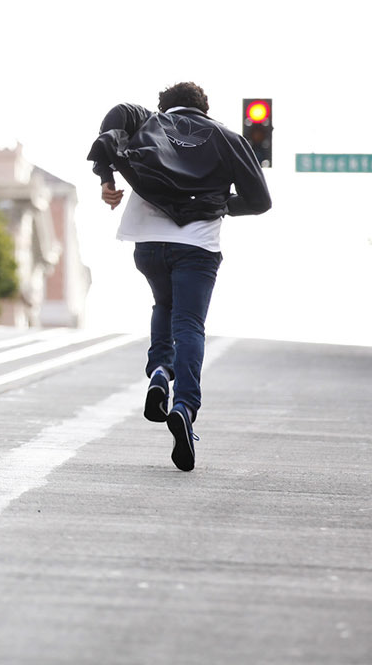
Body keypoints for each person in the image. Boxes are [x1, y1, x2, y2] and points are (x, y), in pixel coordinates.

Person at [87, 81, 271, 471]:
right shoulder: (229, 138)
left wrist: (106, 178)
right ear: (204, 108)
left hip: (148, 241)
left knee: (163, 303)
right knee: (188, 323)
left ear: (165, 106)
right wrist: (221, 204)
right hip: (197, 245)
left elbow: (115, 116)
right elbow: (260, 200)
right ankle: (184, 406)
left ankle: (158, 371)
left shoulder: (148, 122)